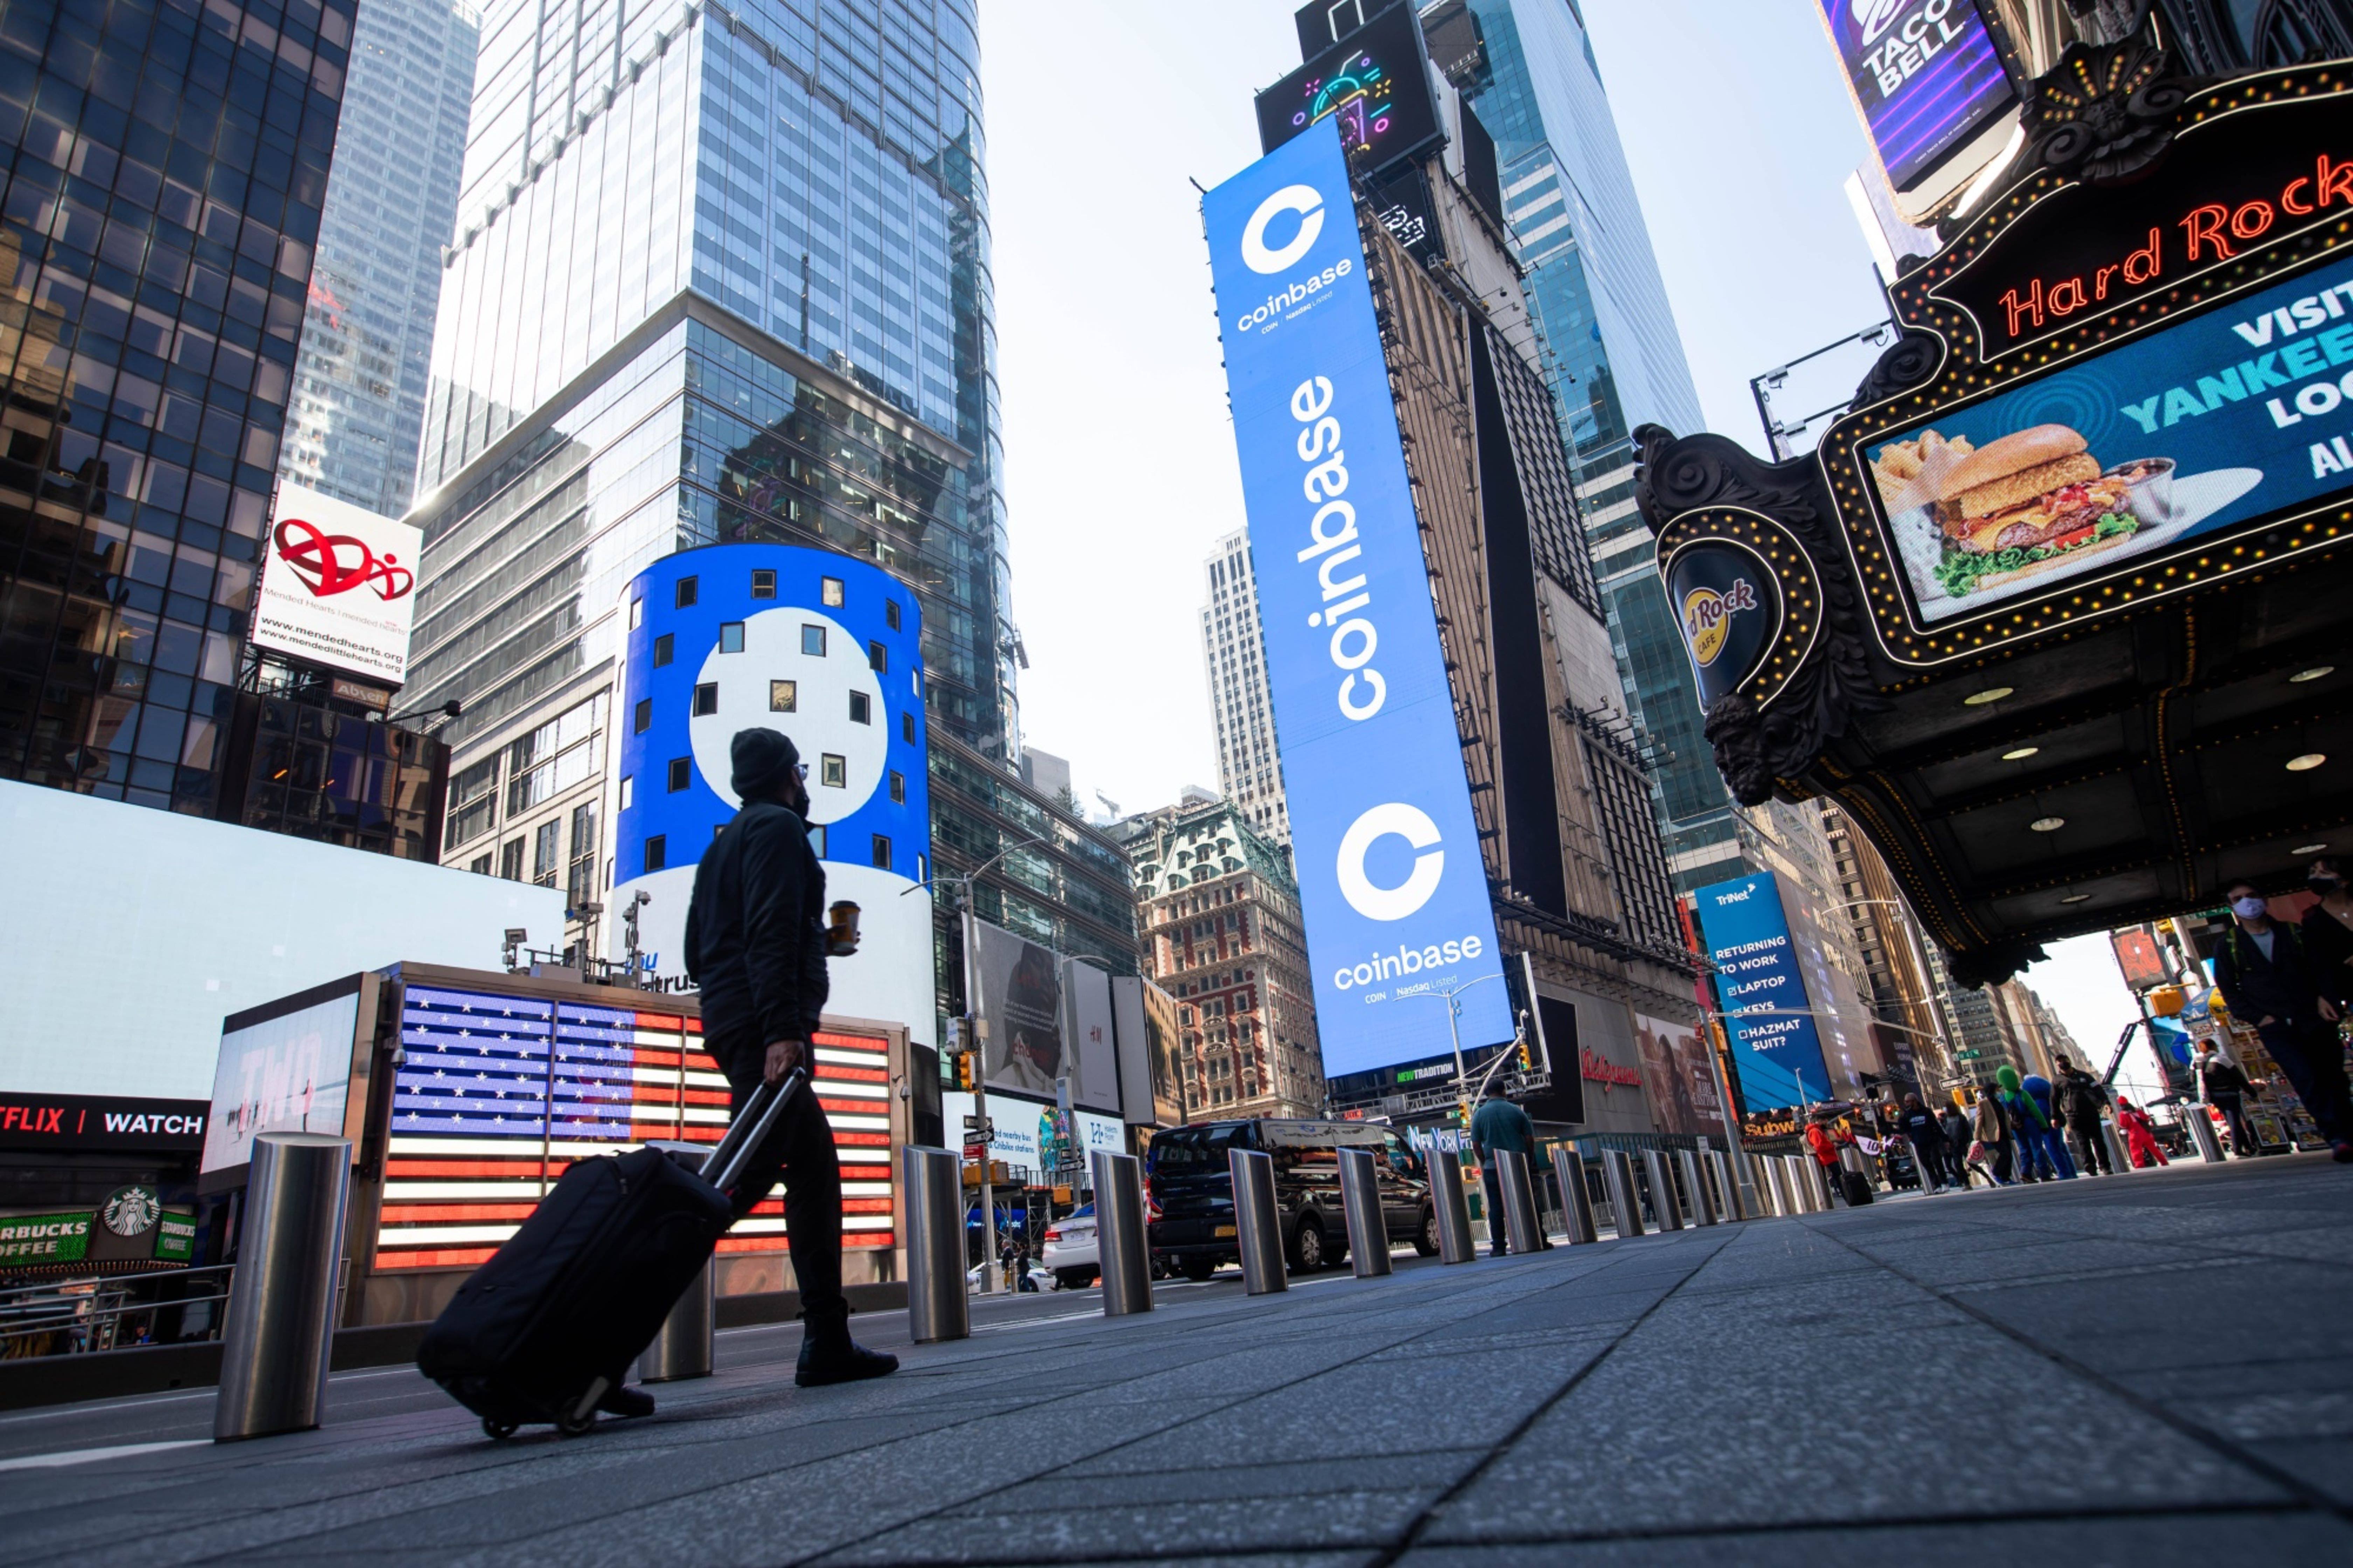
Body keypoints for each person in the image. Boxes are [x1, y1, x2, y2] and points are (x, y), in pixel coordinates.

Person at [687, 728, 898, 1391]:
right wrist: (782, 1027)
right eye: (800, 769)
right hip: (761, 1027)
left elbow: (702, 949)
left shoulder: (723, 844)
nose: (804, 782)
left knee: (803, 1168)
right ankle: (608, 1300)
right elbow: (772, 928)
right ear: (786, 774)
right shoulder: (779, 829)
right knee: (744, 1181)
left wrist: (813, 945)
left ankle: (827, 1336)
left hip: (733, 1017)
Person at [2212, 878, 2352, 1162]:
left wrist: (2326, 996)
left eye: (2252, 895)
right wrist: (2259, 1018)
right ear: (2232, 908)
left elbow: (2321, 968)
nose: (2247, 902)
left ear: (2264, 900)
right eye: (2239, 899)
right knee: (2306, 1079)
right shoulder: (2229, 945)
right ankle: (2337, 1136)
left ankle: (2348, 1132)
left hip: (2314, 1018)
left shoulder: (2294, 933)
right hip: (2276, 1027)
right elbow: (2229, 990)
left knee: (2334, 1077)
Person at [1470, 1078, 1537, 1256]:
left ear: (1488, 1094)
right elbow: (1530, 1138)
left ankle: (1499, 1246)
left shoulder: (1480, 1114)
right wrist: (1528, 1158)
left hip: (1493, 1167)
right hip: (1518, 1164)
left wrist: (1486, 1161)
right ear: (1504, 1091)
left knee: (1496, 1207)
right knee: (1528, 1202)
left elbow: (1476, 1144)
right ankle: (1539, 1238)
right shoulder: (1516, 1111)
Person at [2052, 1055, 2113, 1175]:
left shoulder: (2085, 1076)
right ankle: (2089, 1165)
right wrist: (2054, 1117)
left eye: (2064, 1061)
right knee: (2083, 1141)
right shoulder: (2057, 1081)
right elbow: (2054, 1099)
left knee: (2098, 1140)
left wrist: (2106, 1103)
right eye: (2059, 1062)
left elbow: (2098, 1090)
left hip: (2091, 1113)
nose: (2062, 1064)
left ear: (2069, 1061)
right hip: (2073, 1115)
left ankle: (2105, 1166)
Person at [2194, 1040, 2257, 1156]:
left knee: (2232, 1121)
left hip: (2214, 1096)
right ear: (2213, 1047)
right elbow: (2239, 1077)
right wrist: (2252, 1092)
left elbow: (2194, 1080)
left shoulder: (2197, 1061)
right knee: (2234, 1121)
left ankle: (2248, 1147)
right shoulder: (2222, 1059)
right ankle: (2238, 1149)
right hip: (2230, 1093)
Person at [2019, 1069, 2077, 1179]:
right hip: (2057, 1127)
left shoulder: (2037, 1103)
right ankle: (2071, 1172)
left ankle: (2064, 1173)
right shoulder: (2049, 1101)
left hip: (2047, 1129)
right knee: (2062, 1148)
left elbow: (2040, 1116)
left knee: (2053, 1149)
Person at [1895, 1092, 1949, 1193]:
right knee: (1926, 1164)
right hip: (1919, 1143)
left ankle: (1944, 1183)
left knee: (1937, 1161)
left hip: (1931, 1141)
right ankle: (1937, 1185)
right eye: (1905, 1102)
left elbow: (1936, 1125)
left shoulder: (1926, 1111)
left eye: (1908, 1102)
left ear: (1915, 1101)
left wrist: (1945, 1139)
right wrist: (1901, 1119)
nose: (1906, 1104)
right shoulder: (1907, 1114)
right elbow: (1904, 1130)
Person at [1803, 1111, 1851, 1206]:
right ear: (1819, 1121)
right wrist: (1832, 1146)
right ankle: (1849, 1197)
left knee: (1841, 1178)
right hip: (1828, 1158)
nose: (1826, 1124)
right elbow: (1819, 1147)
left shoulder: (1817, 1131)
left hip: (1829, 1158)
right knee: (1842, 1178)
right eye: (1825, 1122)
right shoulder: (1815, 1131)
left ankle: (1849, 1198)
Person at [1970, 1089, 2010, 1186]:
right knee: (2002, 1156)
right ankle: (1997, 1175)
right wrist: (1977, 1138)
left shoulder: (1997, 1104)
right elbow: (1978, 1124)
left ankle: (2004, 1178)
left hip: (1999, 1137)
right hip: (1991, 1140)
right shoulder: (1982, 1107)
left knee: (2006, 1156)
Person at [2116, 1096, 2168, 1167]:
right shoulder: (2138, 1111)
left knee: (2136, 1150)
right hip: (2147, 1133)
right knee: (2154, 1149)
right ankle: (2164, 1162)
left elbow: (2123, 1126)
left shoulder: (2123, 1114)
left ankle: (2140, 1165)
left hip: (2135, 1134)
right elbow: (2147, 1118)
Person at [1937, 1101, 1973, 1188]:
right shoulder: (1946, 1119)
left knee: (1972, 1163)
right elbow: (1944, 1131)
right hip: (1953, 1145)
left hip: (1963, 1144)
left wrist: (1969, 1141)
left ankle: (1986, 1177)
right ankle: (1967, 1184)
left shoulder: (1961, 1118)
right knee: (1958, 1165)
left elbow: (1968, 1130)